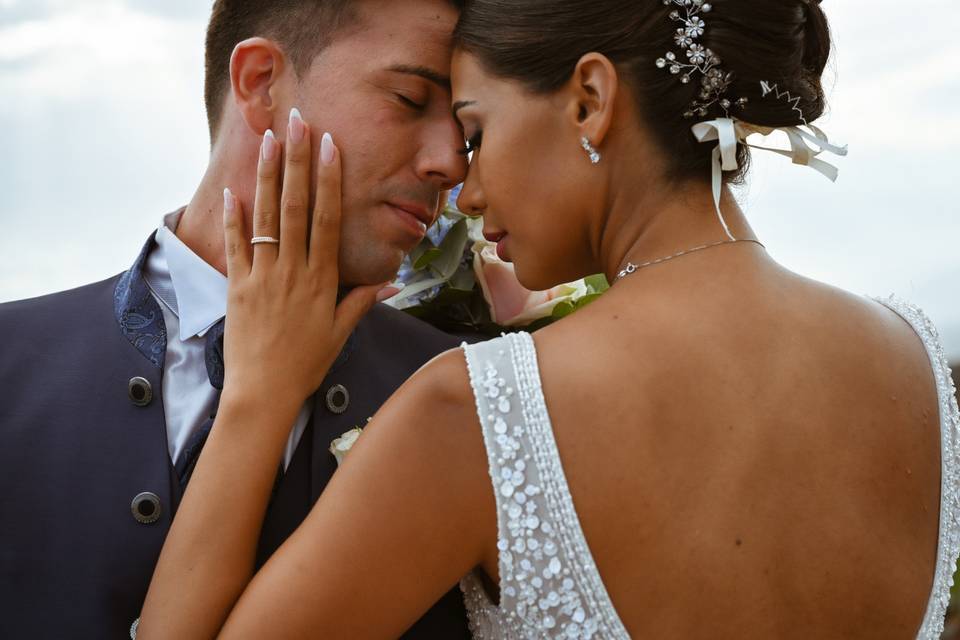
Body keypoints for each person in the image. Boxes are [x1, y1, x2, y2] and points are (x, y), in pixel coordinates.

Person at [139, 0, 960, 638]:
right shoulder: (918, 362)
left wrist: (260, 390)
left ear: (591, 101)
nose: (464, 191)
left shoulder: (482, 411)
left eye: (474, 129)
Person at [0, 1, 477, 638]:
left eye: (467, 131)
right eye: (410, 97)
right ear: (260, 82)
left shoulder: (470, 395)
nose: (452, 163)